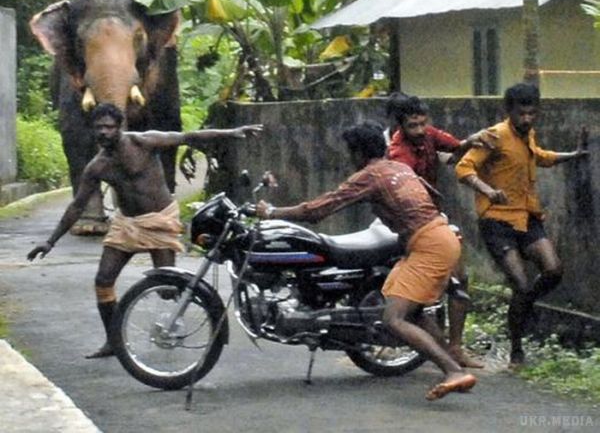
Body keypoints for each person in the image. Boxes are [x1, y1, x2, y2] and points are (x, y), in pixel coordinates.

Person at [256, 121, 477, 401]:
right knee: (415, 312)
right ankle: (450, 360)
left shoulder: (370, 175)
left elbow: (316, 210)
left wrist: (272, 212)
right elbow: (435, 198)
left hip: (427, 245)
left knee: (393, 319)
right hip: (437, 236)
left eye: (350, 152)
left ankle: (453, 371)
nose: (350, 158)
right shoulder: (400, 167)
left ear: (358, 152)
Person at [27, 103, 263, 358]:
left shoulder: (144, 142)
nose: (103, 132)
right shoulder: (97, 166)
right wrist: (50, 242)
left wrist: (232, 132)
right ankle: (114, 342)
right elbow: (77, 205)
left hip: (159, 220)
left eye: (108, 127)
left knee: (166, 289)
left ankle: (204, 310)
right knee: (103, 281)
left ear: (120, 127)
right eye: (98, 128)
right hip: (127, 225)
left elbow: (188, 137)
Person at [455, 82, 588, 368]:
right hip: (497, 221)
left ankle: (524, 306)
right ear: (509, 111)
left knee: (553, 270)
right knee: (520, 283)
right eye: (521, 114)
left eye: (531, 114)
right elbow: (463, 168)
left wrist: (571, 155)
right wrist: (488, 191)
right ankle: (517, 348)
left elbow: (538, 155)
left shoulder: (527, 135)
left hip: (527, 217)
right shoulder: (494, 136)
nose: (526, 119)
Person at [386, 92, 496, 368]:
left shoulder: (428, 136)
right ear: (400, 125)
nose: (421, 130)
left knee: (459, 282)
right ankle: (448, 354)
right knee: (447, 285)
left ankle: (453, 348)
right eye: (413, 126)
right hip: (416, 225)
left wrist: (474, 139)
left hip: (433, 219)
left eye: (423, 123)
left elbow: (456, 148)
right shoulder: (399, 155)